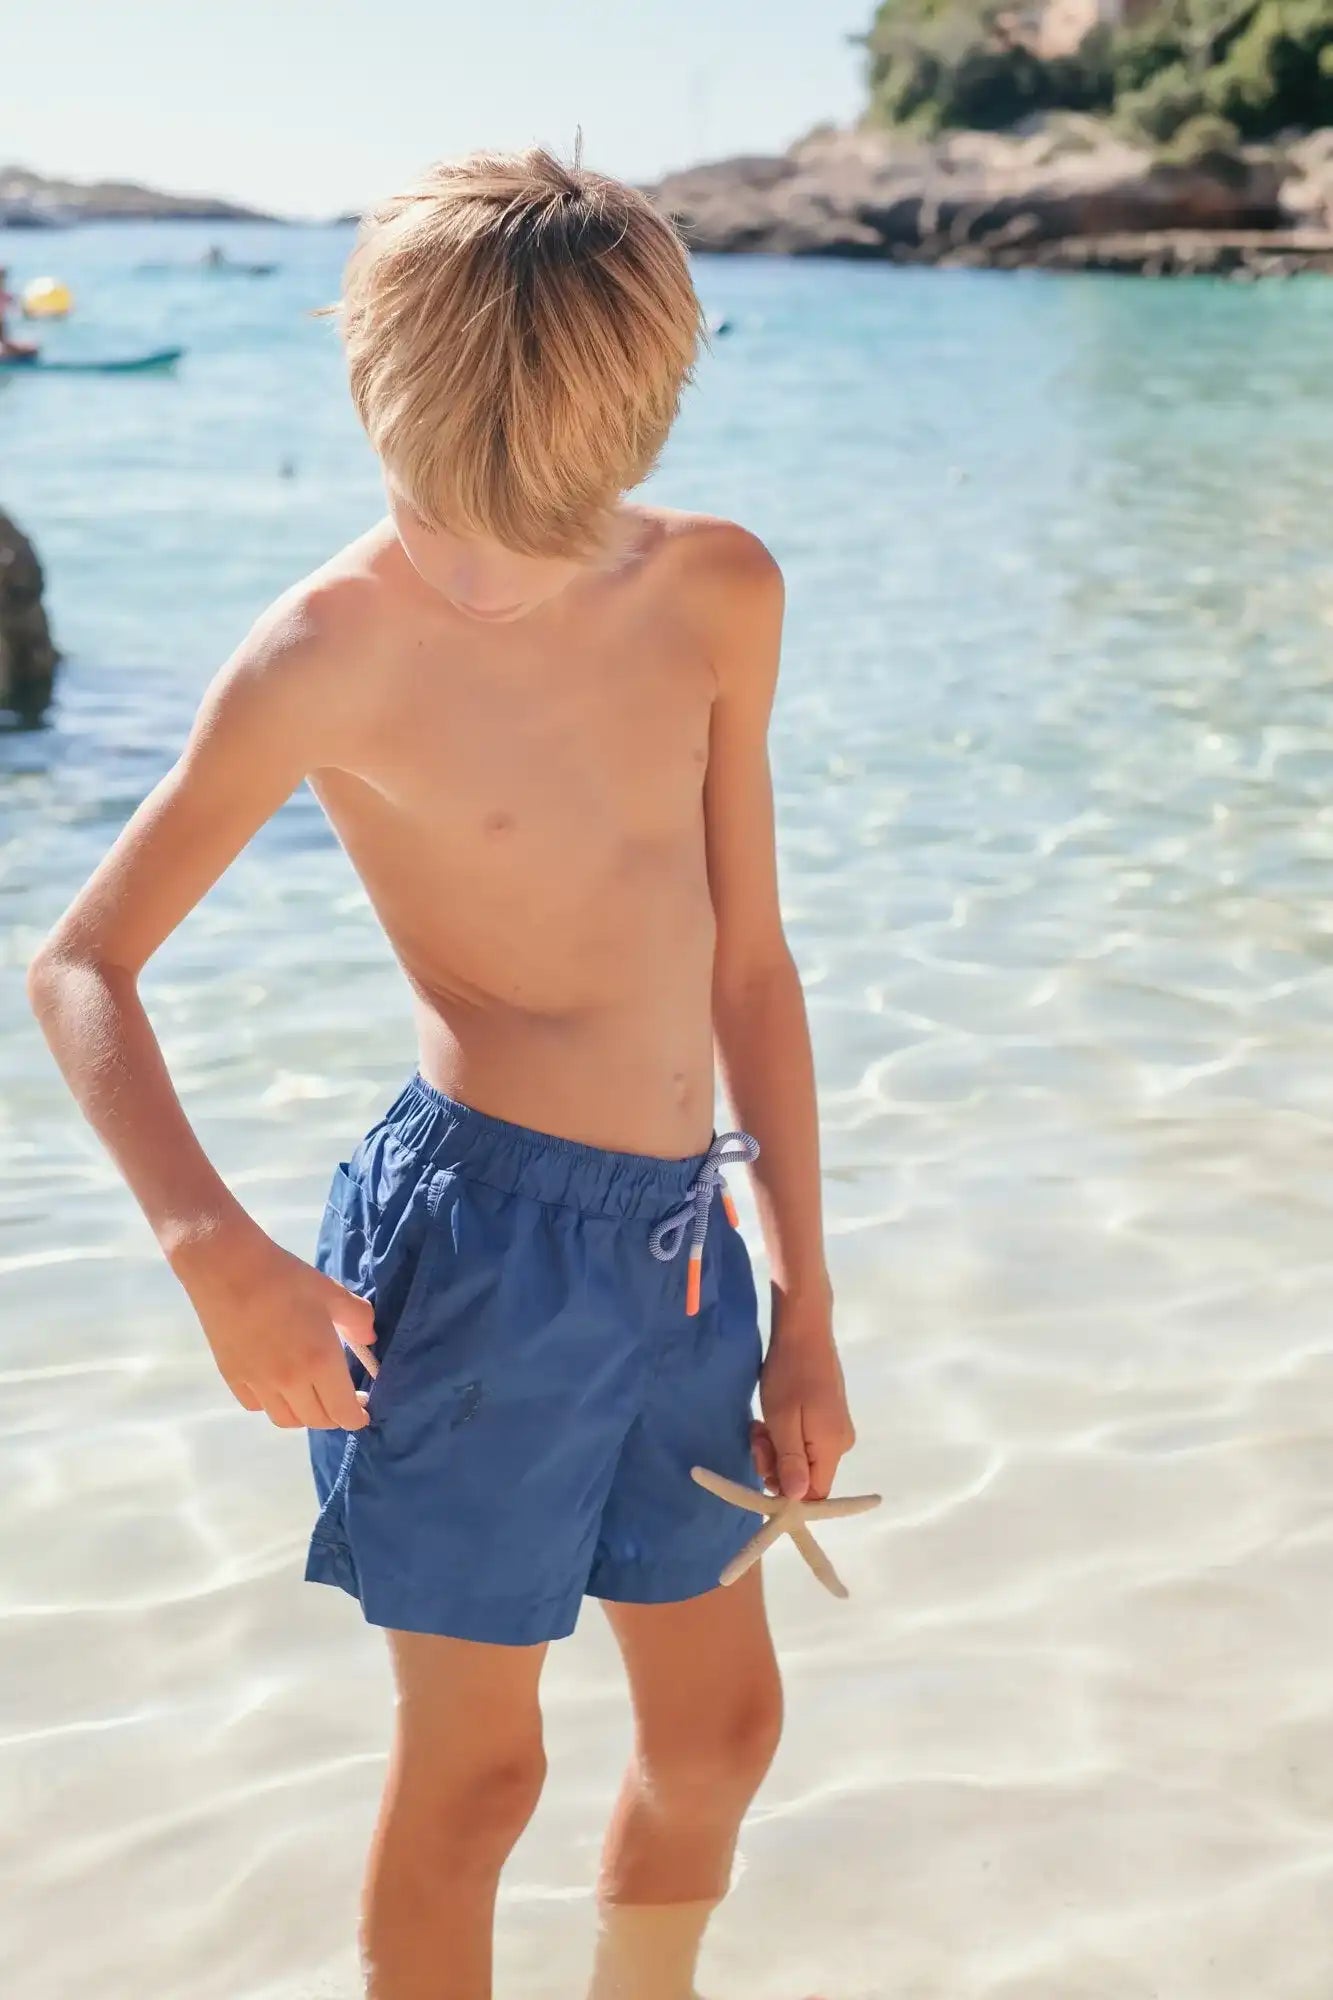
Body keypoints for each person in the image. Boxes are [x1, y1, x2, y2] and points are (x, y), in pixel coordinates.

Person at [28, 147, 855, 2000]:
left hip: (687, 1255)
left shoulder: (718, 588)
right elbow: (80, 963)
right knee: (482, 1780)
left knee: (723, 1736)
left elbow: (749, 966)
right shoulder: (327, 650)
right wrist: (216, 1253)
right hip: (478, 1258)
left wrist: (805, 1309)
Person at [0, 267, 39, 360]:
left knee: (3, 339)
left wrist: (26, 310)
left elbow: (15, 303)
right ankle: (6, 351)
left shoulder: (5, 294)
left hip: (2, 322)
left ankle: (7, 350)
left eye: (3, 279)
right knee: (3, 340)